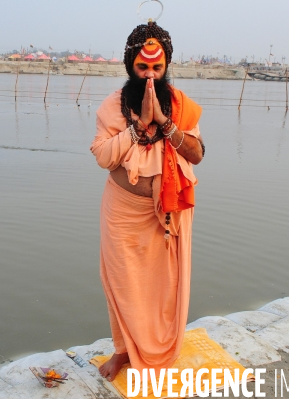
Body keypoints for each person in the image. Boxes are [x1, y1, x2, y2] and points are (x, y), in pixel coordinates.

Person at [90, 22, 205, 382]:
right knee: (122, 283)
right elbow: (104, 158)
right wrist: (137, 127)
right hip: (123, 213)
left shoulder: (181, 106)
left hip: (170, 214)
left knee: (164, 285)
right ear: (130, 67)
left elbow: (197, 154)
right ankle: (123, 351)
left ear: (166, 66)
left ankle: (161, 347)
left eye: (157, 68)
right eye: (143, 68)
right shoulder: (112, 106)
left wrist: (165, 123)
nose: (151, 76)